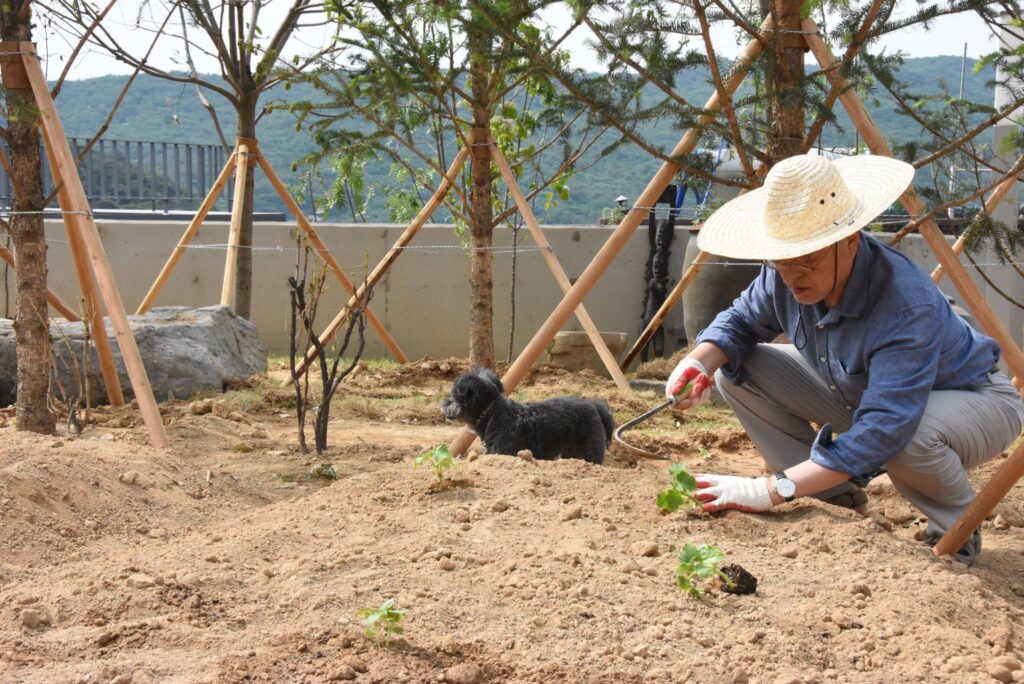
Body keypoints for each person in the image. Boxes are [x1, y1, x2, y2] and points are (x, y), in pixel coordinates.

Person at [665, 153, 1024, 565]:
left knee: (908, 438)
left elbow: (885, 427)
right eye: (781, 259)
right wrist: (698, 362)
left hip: (973, 399)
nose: (791, 274)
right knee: (738, 371)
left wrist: (769, 490)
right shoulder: (785, 272)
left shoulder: (903, 305)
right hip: (868, 396)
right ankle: (833, 499)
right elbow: (741, 321)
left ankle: (953, 538)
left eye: (806, 259)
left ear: (850, 239)